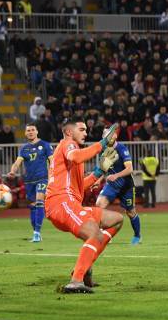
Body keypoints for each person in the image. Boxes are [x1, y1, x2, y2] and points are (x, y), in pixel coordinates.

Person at [45, 120, 123, 293]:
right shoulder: (68, 144)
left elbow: (80, 187)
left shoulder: (72, 156)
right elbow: (76, 156)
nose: (85, 133)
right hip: (61, 202)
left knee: (116, 220)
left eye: (86, 130)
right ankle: (76, 281)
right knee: (95, 234)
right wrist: (102, 144)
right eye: (81, 129)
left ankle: (84, 269)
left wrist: (99, 172)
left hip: (69, 203)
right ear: (68, 132)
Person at [8, 124, 54, 242]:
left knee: (39, 201)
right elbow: (17, 163)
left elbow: (52, 161)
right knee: (33, 206)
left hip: (43, 178)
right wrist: (13, 171)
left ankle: (37, 233)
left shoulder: (45, 145)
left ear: (37, 132)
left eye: (32, 130)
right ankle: (36, 232)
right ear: (25, 133)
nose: (30, 132)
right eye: (28, 130)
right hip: (29, 181)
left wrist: (52, 176)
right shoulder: (24, 148)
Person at [96, 129, 142, 245]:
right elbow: (104, 168)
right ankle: (104, 233)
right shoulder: (103, 150)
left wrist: (116, 176)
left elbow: (129, 169)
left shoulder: (122, 149)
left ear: (115, 135)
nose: (109, 138)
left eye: (111, 135)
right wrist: (98, 180)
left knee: (131, 212)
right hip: (111, 185)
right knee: (100, 204)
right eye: (107, 136)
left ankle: (137, 236)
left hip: (126, 186)